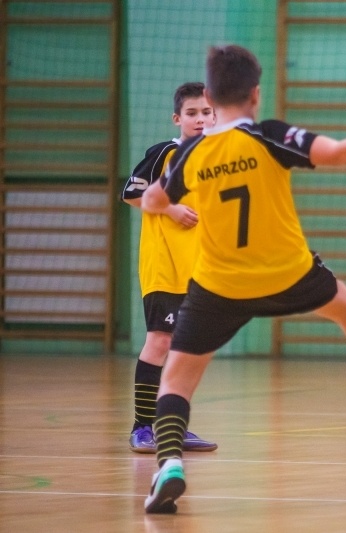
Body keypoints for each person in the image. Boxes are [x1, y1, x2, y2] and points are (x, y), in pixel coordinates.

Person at [139, 44, 346, 514]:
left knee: (177, 382)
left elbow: (150, 201)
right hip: (287, 270)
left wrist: (169, 204)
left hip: (218, 284)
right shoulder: (268, 135)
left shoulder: (192, 152)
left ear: (210, 95)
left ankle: (168, 464)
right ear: (255, 94)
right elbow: (343, 153)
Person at [120, 82, 217, 454]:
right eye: (192, 113)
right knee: (159, 342)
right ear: (178, 118)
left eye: (206, 112)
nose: (200, 119)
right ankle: (143, 426)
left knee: (186, 350)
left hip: (199, 270)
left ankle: (173, 426)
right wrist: (170, 207)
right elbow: (131, 192)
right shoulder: (165, 153)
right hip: (165, 266)